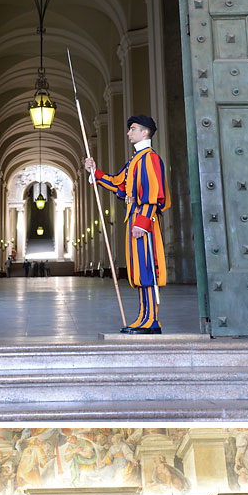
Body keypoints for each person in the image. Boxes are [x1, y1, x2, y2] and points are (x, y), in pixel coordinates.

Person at [85, 114, 170, 333]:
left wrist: (142, 223)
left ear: (145, 132)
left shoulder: (150, 159)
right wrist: (94, 171)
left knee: (147, 269)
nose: (128, 133)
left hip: (144, 223)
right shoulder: (135, 160)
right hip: (134, 222)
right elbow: (118, 185)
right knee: (139, 271)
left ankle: (152, 320)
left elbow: (154, 194)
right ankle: (143, 316)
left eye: (132, 129)